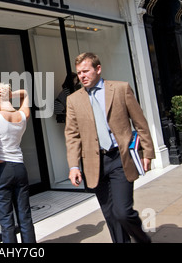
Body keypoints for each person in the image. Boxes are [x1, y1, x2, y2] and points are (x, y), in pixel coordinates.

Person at [65, 52, 154, 243]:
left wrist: (148, 152)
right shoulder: (73, 99)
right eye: (79, 72)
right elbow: (72, 136)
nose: (82, 76)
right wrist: (73, 166)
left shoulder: (121, 89)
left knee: (122, 212)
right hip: (95, 164)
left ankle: (143, 240)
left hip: (120, 158)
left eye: (86, 71)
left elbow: (140, 123)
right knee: (111, 216)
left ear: (98, 69)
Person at [0, 83, 36, 243]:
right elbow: (25, 93)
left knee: (6, 220)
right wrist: (11, 94)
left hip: (2, 172)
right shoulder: (22, 116)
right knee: (25, 217)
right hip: (19, 168)